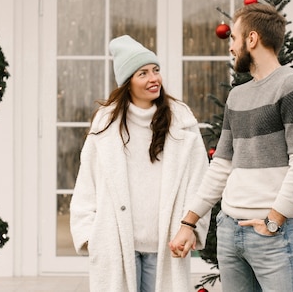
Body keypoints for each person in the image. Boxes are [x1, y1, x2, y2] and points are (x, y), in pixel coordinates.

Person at [169, 3, 293, 292]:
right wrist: (189, 222)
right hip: (229, 230)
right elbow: (221, 165)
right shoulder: (236, 96)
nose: (231, 47)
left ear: (252, 39)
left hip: (273, 235)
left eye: (234, 39)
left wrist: (274, 221)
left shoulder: (292, 85)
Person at [70, 35, 210, 292]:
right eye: (143, 73)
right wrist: (90, 236)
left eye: (155, 70)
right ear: (128, 82)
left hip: (167, 243)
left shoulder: (181, 120)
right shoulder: (106, 124)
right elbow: (86, 183)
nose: (154, 78)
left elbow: (199, 179)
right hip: (116, 243)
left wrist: (192, 227)